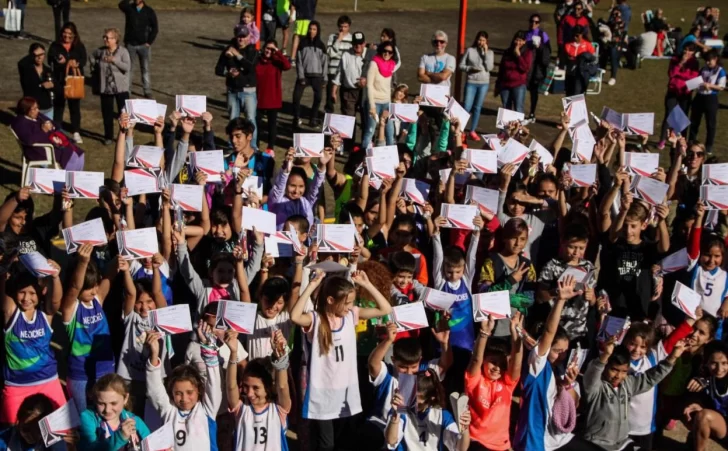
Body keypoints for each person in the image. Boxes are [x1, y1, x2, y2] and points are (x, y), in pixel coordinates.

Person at [289, 271, 392, 451]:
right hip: (323, 394)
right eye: (347, 302)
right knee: (326, 444)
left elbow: (385, 309)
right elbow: (294, 316)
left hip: (346, 392)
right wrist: (312, 286)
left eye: (352, 302)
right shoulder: (316, 319)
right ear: (330, 300)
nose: (350, 306)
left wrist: (367, 284)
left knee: (345, 440)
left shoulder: (351, 315)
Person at [0, 265, 66, 425]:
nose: (26, 298)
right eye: (22, 292)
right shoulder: (11, 313)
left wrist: (56, 277)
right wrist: (4, 270)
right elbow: (3, 296)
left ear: (41, 293)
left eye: (32, 293)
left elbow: (56, 301)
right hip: (16, 386)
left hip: (49, 381)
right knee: (13, 432)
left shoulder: (45, 314)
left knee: (63, 431)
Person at [465, 313, 524, 451]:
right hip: (475, 441)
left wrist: (516, 336)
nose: (497, 368)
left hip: (500, 446)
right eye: (493, 362)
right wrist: (485, 333)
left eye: (502, 365)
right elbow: (475, 359)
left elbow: (516, 363)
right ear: (484, 360)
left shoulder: (507, 383)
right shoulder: (474, 380)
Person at [79, 374, 151, 451]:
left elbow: (151, 445)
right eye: (101, 403)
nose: (107, 410)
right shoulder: (88, 418)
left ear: (125, 398)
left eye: (113, 403)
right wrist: (120, 437)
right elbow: (88, 448)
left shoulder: (135, 421)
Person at [10, 97, 85, 171]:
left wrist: (52, 126)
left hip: (52, 143)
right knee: (72, 156)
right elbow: (29, 140)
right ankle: (69, 181)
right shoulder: (20, 123)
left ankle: (76, 179)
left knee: (80, 154)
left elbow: (56, 125)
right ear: (25, 109)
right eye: (34, 109)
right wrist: (43, 130)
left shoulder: (38, 116)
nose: (37, 110)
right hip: (38, 150)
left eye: (37, 108)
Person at [216, 26, 259, 148]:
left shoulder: (253, 51)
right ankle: (232, 145)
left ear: (249, 37)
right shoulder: (227, 50)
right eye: (239, 36)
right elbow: (218, 69)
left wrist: (236, 54)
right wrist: (227, 73)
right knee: (233, 119)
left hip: (248, 91)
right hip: (232, 91)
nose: (241, 39)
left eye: (244, 37)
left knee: (250, 119)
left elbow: (251, 67)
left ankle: (253, 146)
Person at [417, 30, 456, 156]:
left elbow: (444, 76)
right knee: (424, 132)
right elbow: (419, 76)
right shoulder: (425, 57)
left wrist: (428, 73)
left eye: (441, 41)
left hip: (441, 103)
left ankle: (440, 157)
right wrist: (436, 76)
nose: (438, 44)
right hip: (426, 101)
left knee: (442, 132)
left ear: (446, 43)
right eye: (436, 41)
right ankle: (423, 157)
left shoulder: (450, 59)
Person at [91, 28, 131, 145]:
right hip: (106, 88)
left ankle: (126, 134)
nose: (105, 39)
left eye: (107, 37)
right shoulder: (101, 51)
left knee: (123, 113)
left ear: (115, 39)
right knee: (107, 114)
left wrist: (115, 60)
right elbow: (92, 57)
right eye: (104, 37)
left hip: (121, 89)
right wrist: (95, 68)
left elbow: (127, 67)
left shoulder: (123, 52)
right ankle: (108, 136)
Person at [48, 22, 87, 144]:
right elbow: (50, 59)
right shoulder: (55, 45)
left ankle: (76, 131)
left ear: (74, 35)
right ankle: (58, 131)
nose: (67, 36)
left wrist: (76, 63)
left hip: (73, 80)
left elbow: (83, 59)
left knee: (74, 107)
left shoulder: (79, 46)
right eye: (65, 33)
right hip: (59, 80)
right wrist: (58, 60)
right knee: (59, 106)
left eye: (70, 33)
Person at [657, 42, 700, 149]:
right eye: (685, 49)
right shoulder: (675, 59)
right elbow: (671, 74)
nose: (687, 52)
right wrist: (681, 63)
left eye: (690, 50)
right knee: (668, 115)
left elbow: (693, 78)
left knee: (682, 118)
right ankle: (662, 139)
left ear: (693, 52)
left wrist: (680, 75)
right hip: (672, 91)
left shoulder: (695, 63)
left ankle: (681, 141)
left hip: (685, 93)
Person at [255, 38, 291, 153]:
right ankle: (255, 145)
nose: (268, 51)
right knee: (256, 124)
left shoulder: (277, 62)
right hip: (258, 98)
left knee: (271, 125)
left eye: (271, 49)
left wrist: (278, 52)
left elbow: (287, 66)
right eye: (267, 48)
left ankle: (270, 147)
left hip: (272, 99)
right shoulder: (257, 61)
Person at [333, 31, 366, 149]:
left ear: (364, 44)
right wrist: (334, 89)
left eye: (360, 44)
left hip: (364, 92)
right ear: (352, 44)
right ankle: (349, 146)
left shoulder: (369, 55)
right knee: (349, 119)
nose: (358, 46)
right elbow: (339, 72)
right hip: (348, 91)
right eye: (356, 44)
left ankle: (365, 145)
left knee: (365, 119)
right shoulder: (346, 55)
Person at [118, 0, 158, 99]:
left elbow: (155, 28)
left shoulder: (149, 11)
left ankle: (147, 90)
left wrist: (149, 42)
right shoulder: (129, 8)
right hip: (130, 44)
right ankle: (127, 90)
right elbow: (121, 5)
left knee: (145, 69)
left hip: (144, 45)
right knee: (129, 69)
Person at [291, 21, 327, 130]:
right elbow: (299, 61)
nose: (312, 31)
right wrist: (301, 76)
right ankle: (296, 118)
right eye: (310, 29)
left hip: (317, 76)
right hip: (304, 76)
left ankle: (313, 118)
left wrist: (325, 78)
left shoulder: (321, 45)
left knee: (318, 98)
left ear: (318, 31)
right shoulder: (302, 44)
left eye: (314, 29)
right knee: (296, 97)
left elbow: (325, 63)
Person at [689, 49, 726, 154]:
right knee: (694, 122)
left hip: (711, 99)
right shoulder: (703, 69)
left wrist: (709, 85)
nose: (707, 63)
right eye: (706, 61)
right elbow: (697, 79)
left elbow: (721, 87)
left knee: (711, 124)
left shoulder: (720, 71)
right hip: (699, 97)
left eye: (709, 60)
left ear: (715, 59)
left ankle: (709, 146)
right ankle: (691, 142)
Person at [459, 31, 494, 140]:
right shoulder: (470, 50)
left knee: (477, 108)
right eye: (479, 40)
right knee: (466, 107)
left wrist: (485, 53)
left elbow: (489, 67)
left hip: (484, 83)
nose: (481, 42)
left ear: (486, 42)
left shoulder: (490, 53)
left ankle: (473, 130)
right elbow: (461, 65)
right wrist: (470, 69)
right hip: (471, 82)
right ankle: (461, 129)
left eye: (483, 40)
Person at [361, 41, 397, 149]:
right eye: (384, 51)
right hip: (375, 102)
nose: (387, 54)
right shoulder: (374, 63)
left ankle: (391, 160)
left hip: (387, 103)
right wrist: (372, 106)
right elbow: (369, 85)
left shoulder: (392, 65)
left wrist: (390, 103)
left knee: (390, 133)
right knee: (370, 132)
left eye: (390, 52)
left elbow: (388, 87)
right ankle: (362, 158)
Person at [496, 31, 532, 114]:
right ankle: (505, 127)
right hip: (505, 84)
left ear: (524, 42)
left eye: (520, 41)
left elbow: (525, 68)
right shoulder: (507, 51)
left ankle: (518, 127)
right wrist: (498, 84)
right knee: (506, 108)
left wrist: (519, 56)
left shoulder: (527, 52)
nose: (518, 43)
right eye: (516, 40)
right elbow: (501, 68)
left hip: (518, 85)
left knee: (518, 108)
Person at [17, 43, 55, 119]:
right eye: (36, 55)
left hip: (47, 109)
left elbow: (58, 87)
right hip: (31, 108)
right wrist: (33, 54)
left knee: (48, 130)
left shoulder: (48, 70)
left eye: (42, 54)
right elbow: (20, 63)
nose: (39, 57)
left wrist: (53, 85)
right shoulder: (27, 69)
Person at [525, 14, 551, 120]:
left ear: (539, 24)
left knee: (534, 91)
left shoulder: (543, 34)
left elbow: (548, 51)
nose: (533, 24)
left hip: (537, 67)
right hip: (526, 65)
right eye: (532, 21)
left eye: (536, 22)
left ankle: (532, 112)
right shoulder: (525, 34)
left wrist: (540, 46)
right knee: (522, 89)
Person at [324, 15, 352, 114]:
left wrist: (338, 54)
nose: (342, 29)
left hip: (345, 72)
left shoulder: (352, 39)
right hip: (332, 71)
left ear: (349, 27)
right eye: (341, 26)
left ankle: (343, 120)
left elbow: (350, 56)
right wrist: (338, 40)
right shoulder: (332, 37)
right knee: (330, 97)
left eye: (345, 27)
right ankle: (328, 118)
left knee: (345, 99)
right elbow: (330, 53)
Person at [563, 26, 596, 96]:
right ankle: (569, 107)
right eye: (574, 35)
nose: (575, 37)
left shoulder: (588, 45)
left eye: (577, 35)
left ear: (582, 35)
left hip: (581, 73)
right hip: (570, 72)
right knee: (568, 94)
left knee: (577, 94)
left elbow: (593, 58)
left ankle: (577, 106)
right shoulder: (568, 45)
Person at [600, 8, 627, 86]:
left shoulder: (621, 23)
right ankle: (601, 73)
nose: (615, 16)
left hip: (617, 45)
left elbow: (619, 32)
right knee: (604, 54)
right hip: (609, 44)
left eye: (617, 14)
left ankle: (613, 77)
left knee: (613, 53)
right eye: (614, 14)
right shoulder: (610, 23)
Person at [289, 0, 317, 68]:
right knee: (299, 37)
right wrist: (292, 15)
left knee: (298, 37)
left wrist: (292, 15)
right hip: (305, 16)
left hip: (303, 16)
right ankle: (295, 57)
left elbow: (293, 4)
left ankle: (295, 57)